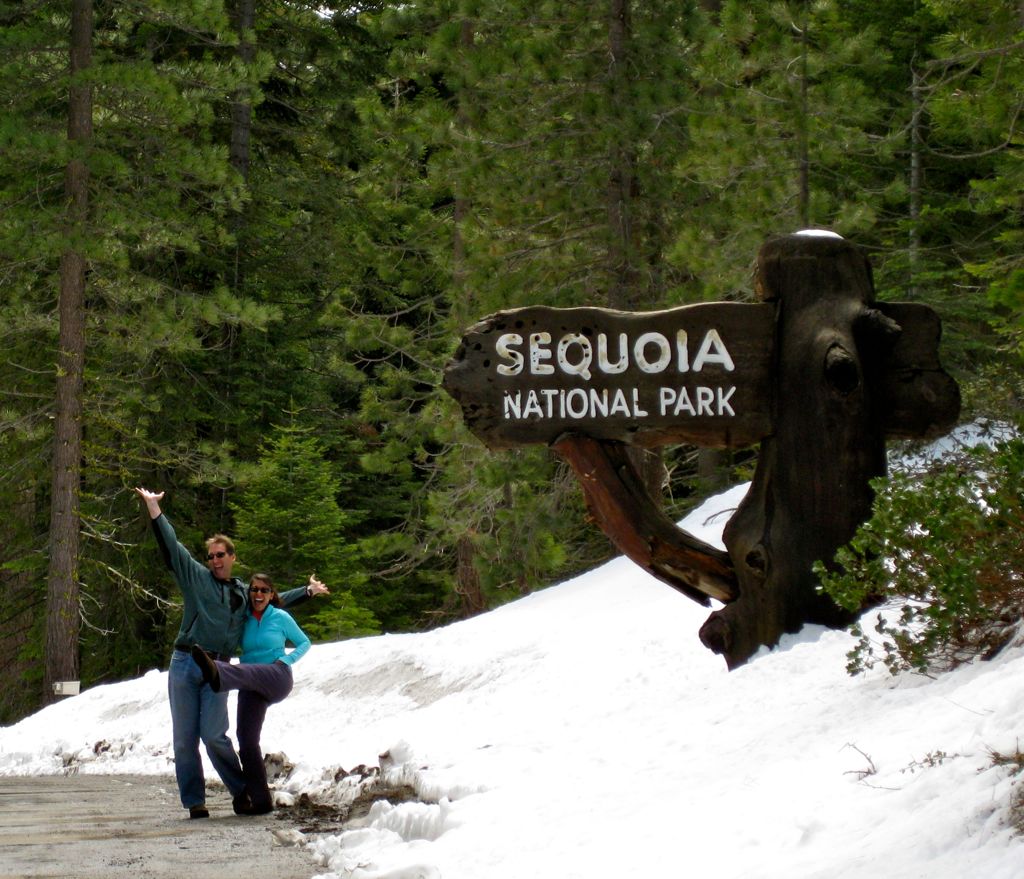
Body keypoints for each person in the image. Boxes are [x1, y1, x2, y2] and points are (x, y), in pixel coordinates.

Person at [134, 486, 327, 819]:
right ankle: (195, 801)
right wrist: (154, 509)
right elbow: (172, 547)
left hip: (218, 669)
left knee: (214, 736)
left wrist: (307, 592)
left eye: (220, 554)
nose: (215, 560)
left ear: (232, 557)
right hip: (185, 662)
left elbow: (270, 600)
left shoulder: (242, 593)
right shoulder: (196, 578)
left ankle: (242, 792)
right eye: (211, 556)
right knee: (184, 740)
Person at [191, 573, 310, 815]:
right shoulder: (244, 618)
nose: (258, 594)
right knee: (246, 740)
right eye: (254, 589)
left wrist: (286, 660)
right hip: (249, 681)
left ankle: (219, 672)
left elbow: (304, 642)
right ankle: (261, 800)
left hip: (276, 676)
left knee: (246, 671)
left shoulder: (280, 617)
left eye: (264, 590)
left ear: (271, 594)